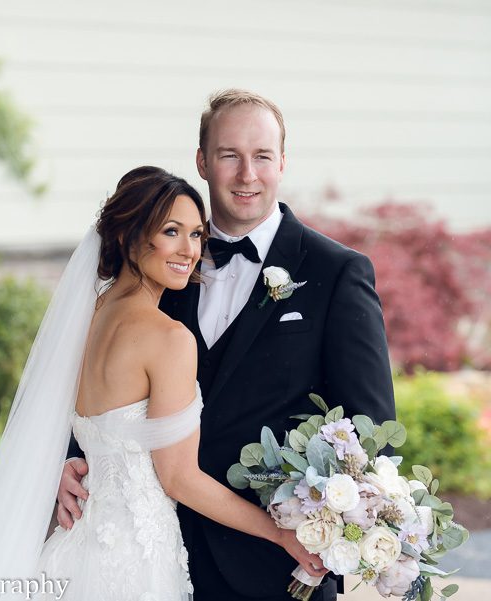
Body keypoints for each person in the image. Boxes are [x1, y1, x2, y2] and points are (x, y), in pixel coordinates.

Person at [58, 91, 397, 601]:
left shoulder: (336, 272)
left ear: (282, 162)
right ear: (202, 162)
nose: (247, 174)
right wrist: (69, 461)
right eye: (229, 155)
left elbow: (371, 432)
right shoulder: (161, 268)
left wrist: (338, 531)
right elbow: (102, 384)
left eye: (262, 156)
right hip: (154, 553)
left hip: (277, 566)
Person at [0, 166, 324, 601]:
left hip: (74, 548)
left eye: (196, 234)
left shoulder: (85, 317)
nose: (189, 250)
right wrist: (279, 533)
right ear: (127, 235)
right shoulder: (169, 339)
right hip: (136, 563)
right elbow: (179, 478)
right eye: (171, 231)